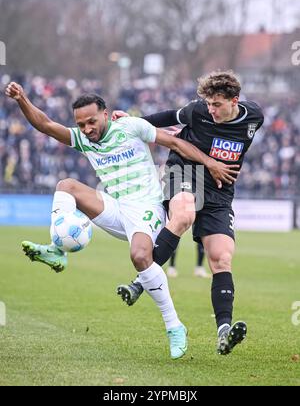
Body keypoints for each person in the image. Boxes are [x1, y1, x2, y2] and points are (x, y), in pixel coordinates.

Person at [5, 81, 238, 360]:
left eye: (91, 121)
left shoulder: (131, 127)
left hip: (147, 208)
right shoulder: (82, 139)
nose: (87, 129)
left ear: (106, 114)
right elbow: (45, 124)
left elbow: (176, 142)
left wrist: (210, 163)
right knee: (66, 185)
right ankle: (58, 251)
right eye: (81, 125)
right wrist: (22, 99)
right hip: (116, 207)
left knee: (140, 256)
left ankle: (174, 326)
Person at [115, 70, 264, 355]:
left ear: (235, 101)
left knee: (221, 257)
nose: (211, 109)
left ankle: (223, 331)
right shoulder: (197, 112)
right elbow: (170, 116)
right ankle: (139, 282)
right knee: (183, 215)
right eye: (208, 104)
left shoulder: (255, 117)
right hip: (185, 170)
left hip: (220, 190)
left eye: (217, 104)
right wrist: (131, 122)